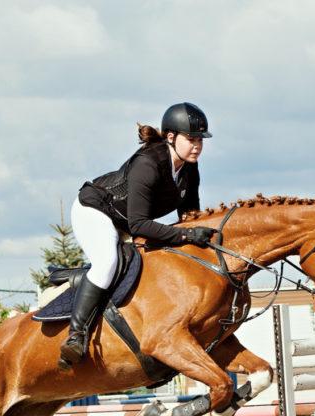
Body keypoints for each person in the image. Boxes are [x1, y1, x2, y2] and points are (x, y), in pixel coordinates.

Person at [59, 102, 217, 369]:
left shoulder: (190, 169)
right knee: (107, 262)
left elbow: (189, 217)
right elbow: (140, 225)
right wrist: (188, 235)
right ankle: (76, 336)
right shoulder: (148, 164)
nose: (197, 146)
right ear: (171, 137)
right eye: (191, 139)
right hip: (95, 210)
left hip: (126, 220)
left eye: (200, 140)